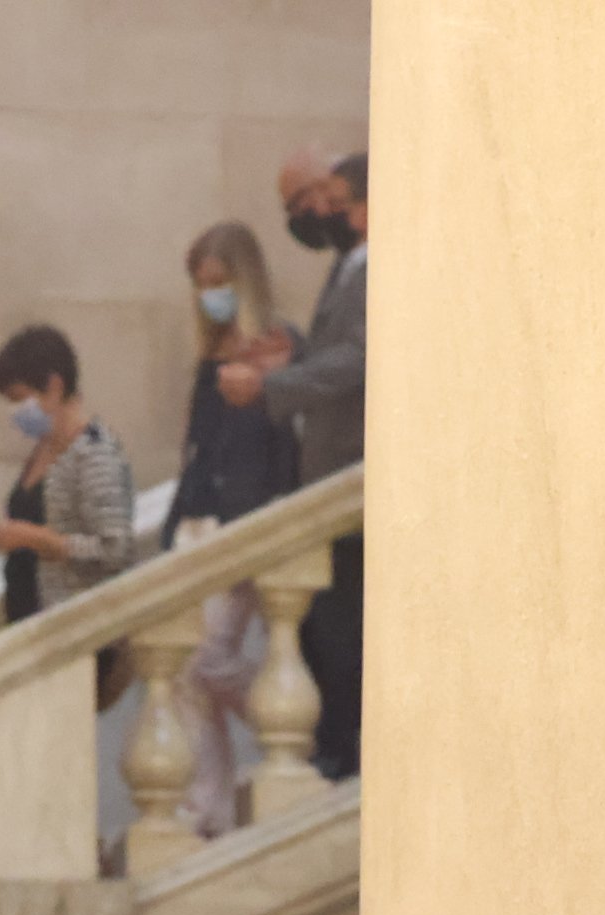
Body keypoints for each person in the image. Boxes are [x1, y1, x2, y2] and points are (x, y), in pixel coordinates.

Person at [223, 150, 367, 778]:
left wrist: (275, 388)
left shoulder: (381, 266)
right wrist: (296, 359)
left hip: (354, 474)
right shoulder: (349, 266)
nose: (323, 213)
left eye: (333, 199)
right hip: (330, 476)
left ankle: (348, 754)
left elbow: (363, 360)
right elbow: (341, 356)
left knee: (342, 635)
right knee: (321, 632)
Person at [169, 226, 302, 834]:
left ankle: (301, 721)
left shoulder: (278, 353)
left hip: (246, 529)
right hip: (199, 528)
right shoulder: (209, 356)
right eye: (202, 288)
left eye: (219, 286)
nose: (210, 298)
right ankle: (210, 808)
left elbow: (281, 451)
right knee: (184, 673)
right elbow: (196, 453)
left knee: (207, 659)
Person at [0, 325, 136, 626]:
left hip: (74, 625)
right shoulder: (43, 449)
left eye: (20, 398)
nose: (16, 411)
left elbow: (116, 551)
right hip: (30, 619)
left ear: (54, 386)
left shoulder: (94, 453)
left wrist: (42, 541)